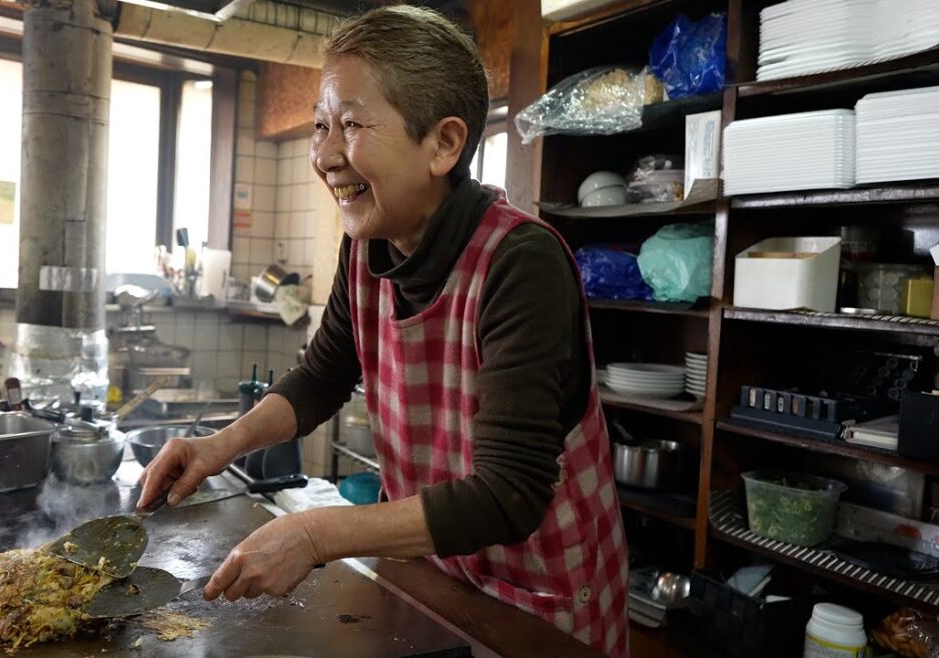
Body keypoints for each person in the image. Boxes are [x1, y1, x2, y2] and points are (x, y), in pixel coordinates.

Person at [137, 6, 628, 655]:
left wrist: (316, 535)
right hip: (438, 575)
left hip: (541, 601)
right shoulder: (369, 248)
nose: (325, 154)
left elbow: (508, 495)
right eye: (319, 125)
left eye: (350, 125)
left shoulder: (522, 263)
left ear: (443, 145)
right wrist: (215, 447)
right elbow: (322, 377)